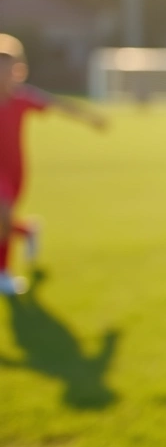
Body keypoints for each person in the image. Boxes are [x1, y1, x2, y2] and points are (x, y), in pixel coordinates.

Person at [0, 52, 106, 295]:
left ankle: (25, 233)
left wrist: (91, 118)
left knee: (3, 219)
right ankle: (5, 269)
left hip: (14, 170)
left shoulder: (21, 99)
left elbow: (58, 104)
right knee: (3, 216)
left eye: (7, 71)